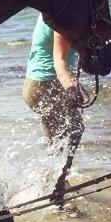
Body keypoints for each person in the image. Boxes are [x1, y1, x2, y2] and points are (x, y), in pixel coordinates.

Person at [23, 13, 84, 202]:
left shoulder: (46, 13)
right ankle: (56, 192)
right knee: (72, 133)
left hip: (35, 85)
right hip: (47, 85)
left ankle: (52, 185)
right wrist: (71, 88)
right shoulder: (61, 19)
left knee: (58, 140)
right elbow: (59, 60)